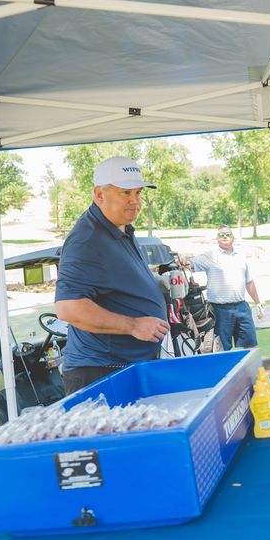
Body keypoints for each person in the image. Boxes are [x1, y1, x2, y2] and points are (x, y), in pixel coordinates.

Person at [55, 156, 169, 395]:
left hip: (127, 366)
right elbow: (69, 309)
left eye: (137, 193)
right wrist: (134, 325)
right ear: (99, 195)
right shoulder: (86, 241)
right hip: (100, 373)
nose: (135, 202)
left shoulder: (122, 228)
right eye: (125, 193)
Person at [184, 225, 263, 351]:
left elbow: (249, 282)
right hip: (219, 310)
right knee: (221, 348)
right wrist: (183, 261)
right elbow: (189, 264)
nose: (225, 237)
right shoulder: (210, 256)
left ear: (233, 237)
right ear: (217, 239)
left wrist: (258, 303)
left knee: (251, 344)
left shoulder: (241, 256)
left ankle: (251, 370)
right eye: (221, 235)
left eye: (228, 234)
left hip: (242, 307)